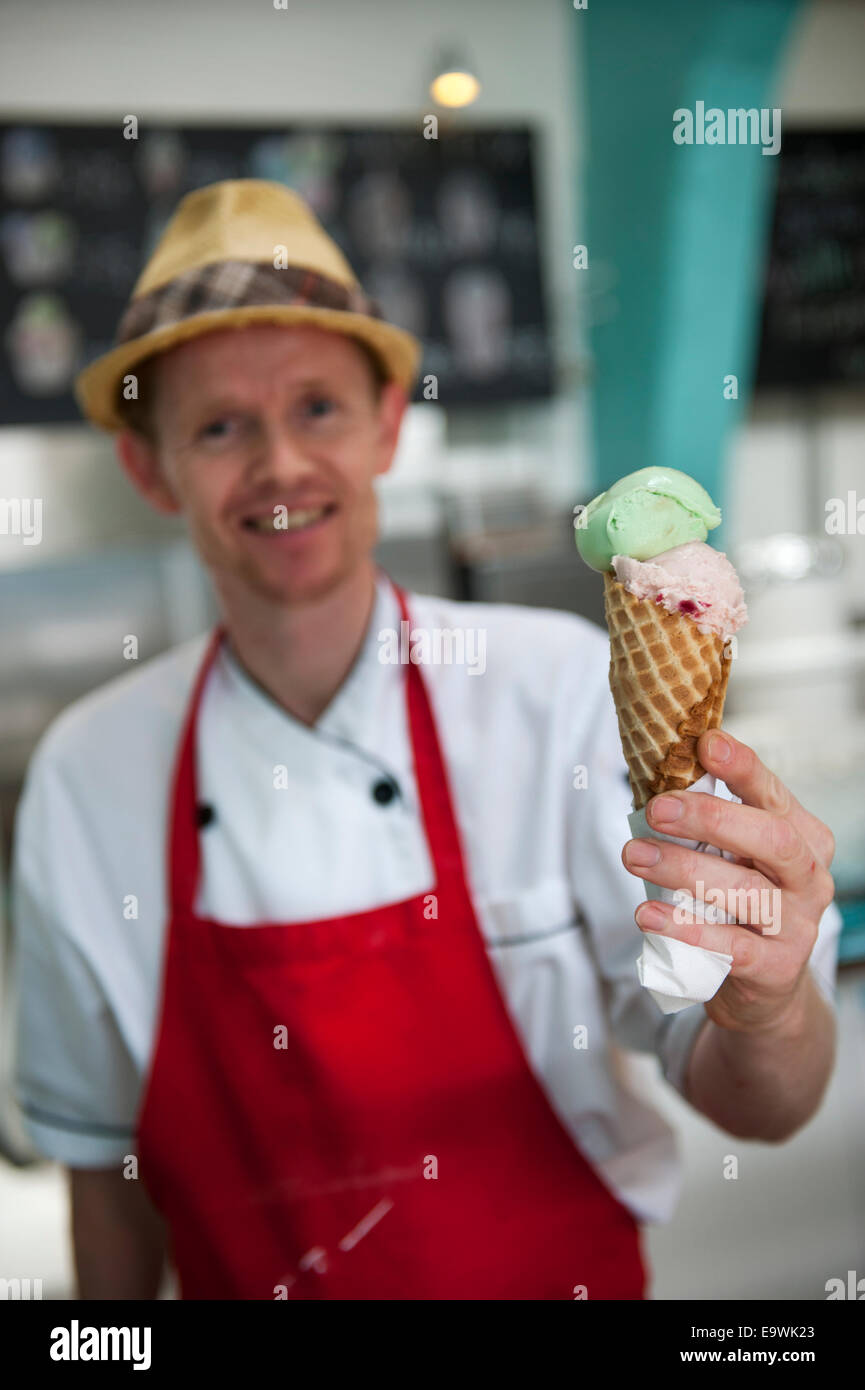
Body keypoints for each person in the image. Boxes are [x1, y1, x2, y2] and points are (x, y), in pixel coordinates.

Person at [11, 180, 841, 1301]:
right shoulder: (84, 773)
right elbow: (102, 1170)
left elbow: (766, 1106)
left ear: (387, 424)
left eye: (317, 408)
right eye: (218, 426)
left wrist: (771, 1003)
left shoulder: (552, 690)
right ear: (150, 466)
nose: (280, 466)